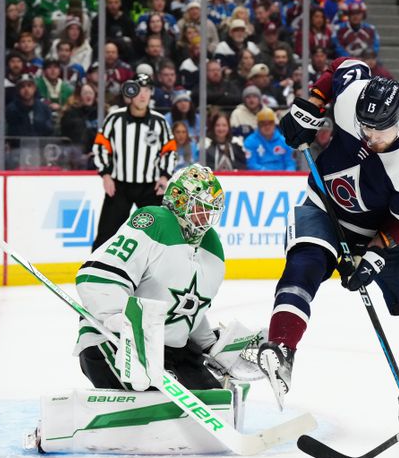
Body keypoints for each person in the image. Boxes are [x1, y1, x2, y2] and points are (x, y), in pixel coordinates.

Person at [259, 59, 399, 441]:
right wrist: (311, 105)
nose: (368, 137)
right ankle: (281, 348)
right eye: (364, 127)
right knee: (305, 265)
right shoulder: (354, 97)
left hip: (380, 232)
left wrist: (376, 253)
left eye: (378, 131)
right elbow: (342, 68)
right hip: (323, 206)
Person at [73, 164, 265, 405]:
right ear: (179, 200)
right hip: (111, 341)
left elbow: (186, 310)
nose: (205, 216)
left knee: (213, 399)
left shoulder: (211, 248)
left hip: (165, 350)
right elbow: (95, 277)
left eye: (210, 210)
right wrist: (124, 323)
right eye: (199, 207)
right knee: (158, 396)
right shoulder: (155, 222)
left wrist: (213, 344)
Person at [91, 73, 177, 250]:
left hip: (150, 188)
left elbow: (169, 151)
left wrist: (164, 177)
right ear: (130, 93)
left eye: (147, 90)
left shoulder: (159, 122)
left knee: (159, 235)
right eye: (138, 90)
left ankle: (160, 273)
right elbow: (100, 146)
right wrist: (106, 175)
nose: (143, 95)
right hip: (119, 186)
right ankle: (94, 271)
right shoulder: (115, 119)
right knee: (106, 235)